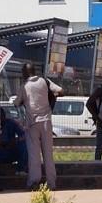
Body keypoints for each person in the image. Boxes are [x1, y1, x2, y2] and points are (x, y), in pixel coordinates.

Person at [15, 62, 63, 190]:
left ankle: (34, 182)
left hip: (32, 124)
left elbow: (16, 103)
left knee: (34, 155)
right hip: (47, 121)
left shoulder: (24, 86)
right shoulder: (44, 81)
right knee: (48, 154)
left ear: (25, 73)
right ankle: (52, 183)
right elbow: (60, 91)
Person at [0, 108, 28, 173]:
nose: (1, 118)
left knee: (24, 145)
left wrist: (16, 140)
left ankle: (21, 170)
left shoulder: (11, 123)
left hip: (11, 151)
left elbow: (24, 135)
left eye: (2, 115)